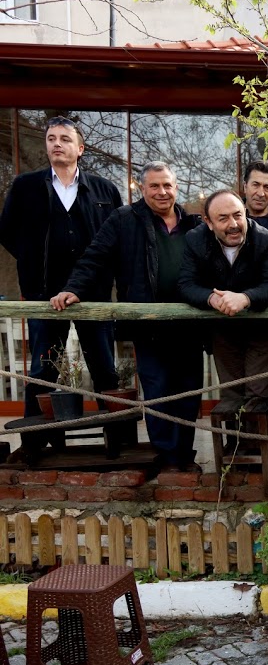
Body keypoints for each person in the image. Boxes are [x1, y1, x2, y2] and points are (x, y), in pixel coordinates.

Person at [50, 161, 204, 472]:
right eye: (154, 186)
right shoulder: (124, 219)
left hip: (189, 325)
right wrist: (73, 288)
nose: (162, 191)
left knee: (188, 394)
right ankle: (168, 459)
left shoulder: (194, 225)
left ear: (176, 187)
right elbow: (95, 257)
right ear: (142, 188)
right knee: (159, 392)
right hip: (149, 326)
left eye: (167, 185)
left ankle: (184, 457)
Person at [0, 115, 121, 456]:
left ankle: (119, 443)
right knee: (42, 370)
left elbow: (117, 239)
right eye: (51, 138)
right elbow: (7, 232)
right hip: (43, 295)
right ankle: (34, 445)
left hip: (93, 296)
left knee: (104, 370)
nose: (56, 144)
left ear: (80, 148)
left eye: (65, 139)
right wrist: (32, 263)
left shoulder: (105, 190)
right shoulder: (25, 187)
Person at [178, 189, 268, 405]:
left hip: (260, 326)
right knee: (232, 397)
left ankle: (259, 429)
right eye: (223, 218)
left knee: (259, 397)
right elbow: (186, 284)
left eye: (237, 215)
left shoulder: (265, 239)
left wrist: (245, 298)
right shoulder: (195, 239)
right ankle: (235, 429)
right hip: (221, 328)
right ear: (209, 222)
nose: (233, 224)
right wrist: (211, 299)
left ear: (245, 213)